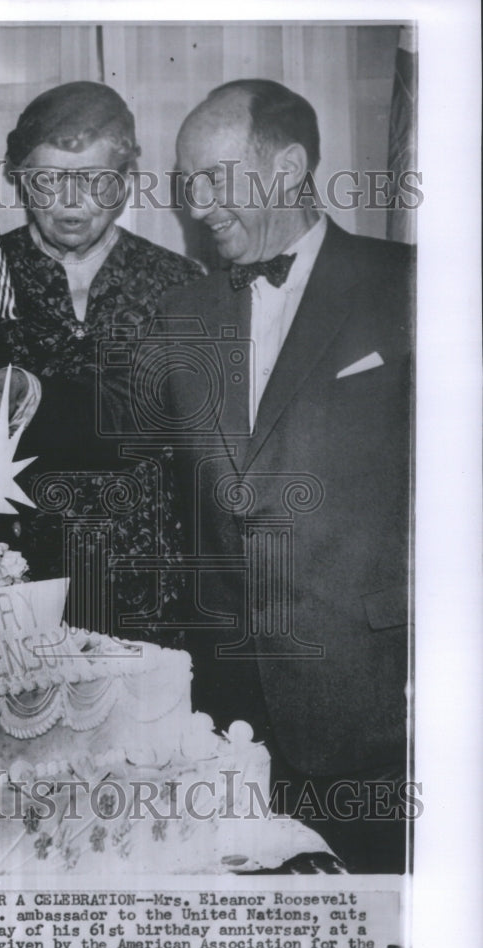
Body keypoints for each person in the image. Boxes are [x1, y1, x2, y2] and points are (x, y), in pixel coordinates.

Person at [155, 79, 414, 872]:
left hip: (373, 706)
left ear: (289, 165)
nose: (197, 206)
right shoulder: (179, 317)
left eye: (214, 178)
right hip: (226, 723)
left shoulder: (413, 285)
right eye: (185, 184)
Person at [0, 81, 203, 641]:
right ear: (19, 179)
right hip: (7, 584)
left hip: (152, 586)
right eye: (49, 179)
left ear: (126, 180)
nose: (71, 201)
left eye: (96, 180)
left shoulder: (182, 285)